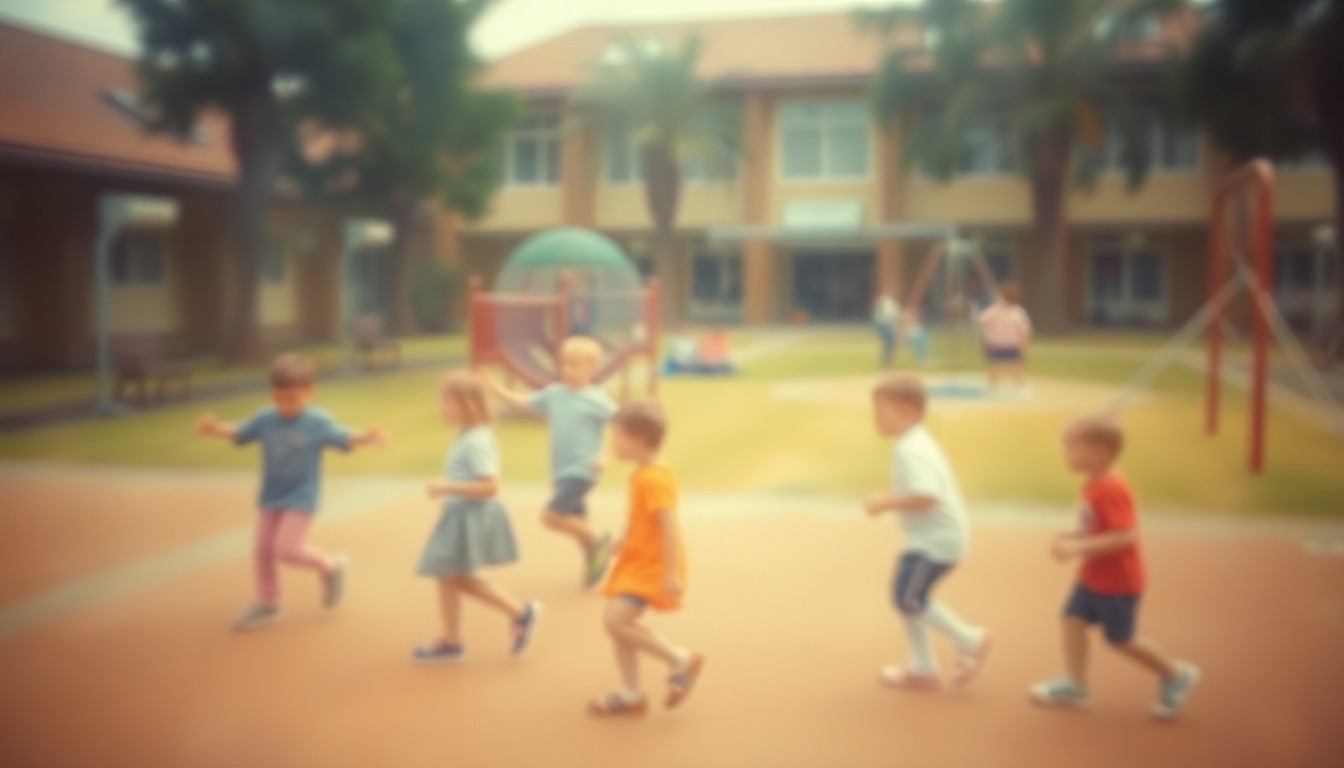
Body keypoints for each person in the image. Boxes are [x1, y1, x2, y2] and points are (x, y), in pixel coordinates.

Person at [195, 353, 386, 632]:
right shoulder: (265, 417)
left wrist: (366, 437)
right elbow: (241, 431)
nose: (283, 404)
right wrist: (214, 429)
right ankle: (268, 603)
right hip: (271, 495)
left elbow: (342, 435)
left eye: (292, 398)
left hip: (301, 496)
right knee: (262, 549)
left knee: (286, 549)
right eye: (277, 397)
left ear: (309, 393)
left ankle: (330, 566)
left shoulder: (317, 421)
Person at [1029, 416, 1200, 719]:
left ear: (1101, 452)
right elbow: (1095, 525)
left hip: (1118, 583)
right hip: (1093, 577)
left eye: (1072, 448)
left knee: (1121, 640)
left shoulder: (1110, 487)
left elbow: (1125, 535)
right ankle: (1076, 685)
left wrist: (1076, 548)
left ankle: (1175, 674)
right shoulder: (1093, 483)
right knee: (1072, 620)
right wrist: (1072, 535)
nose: (1065, 454)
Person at [864, 374, 992, 690]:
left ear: (907, 411)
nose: (875, 417)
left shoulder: (911, 449)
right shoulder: (912, 441)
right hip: (929, 539)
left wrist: (884, 502)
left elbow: (927, 495)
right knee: (908, 596)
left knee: (908, 598)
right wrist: (891, 496)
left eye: (881, 409)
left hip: (938, 541)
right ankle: (922, 668)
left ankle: (971, 639)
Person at [412, 370, 541, 663]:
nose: (441, 408)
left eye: (447, 402)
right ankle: (452, 640)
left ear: (469, 405)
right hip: (459, 515)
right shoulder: (469, 436)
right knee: (446, 575)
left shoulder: (476, 441)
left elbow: (490, 486)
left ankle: (520, 612)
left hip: (468, 517)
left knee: (455, 577)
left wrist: (445, 486)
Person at [588, 400, 704, 717]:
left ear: (638, 440)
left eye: (616, 437)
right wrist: (622, 542)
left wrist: (670, 575)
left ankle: (679, 658)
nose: (612, 444)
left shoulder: (653, 478)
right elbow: (642, 519)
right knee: (618, 625)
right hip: (637, 559)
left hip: (652, 565)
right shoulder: (642, 473)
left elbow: (668, 525)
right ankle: (630, 694)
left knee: (615, 619)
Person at [483, 335, 616, 588]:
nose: (567, 369)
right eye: (564, 364)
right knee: (578, 524)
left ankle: (601, 538)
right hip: (561, 471)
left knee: (551, 516)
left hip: (583, 470)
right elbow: (522, 404)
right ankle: (594, 556)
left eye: (575, 365)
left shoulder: (596, 400)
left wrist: (605, 455)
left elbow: (621, 424)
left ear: (592, 369)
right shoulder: (554, 393)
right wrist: (495, 388)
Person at [977, 282, 1032, 389]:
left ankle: (1021, 389)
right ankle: (992, 389)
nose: (998, 297)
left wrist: (1023, 345)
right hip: (996, 345)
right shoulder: (994, 310)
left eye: (1000, 295)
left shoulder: (1018, 312)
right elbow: (981, 320)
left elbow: (1024, 331)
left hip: (1012, 345)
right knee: (993, 368)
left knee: (1016, 368)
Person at [873, 292, 901, 369]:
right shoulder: (887, 302)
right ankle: (886, 362)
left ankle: (886, 361)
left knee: (889, 343)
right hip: (884, 324)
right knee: (889, 343)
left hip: (884, 323)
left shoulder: (889, 302)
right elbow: (891, 316)